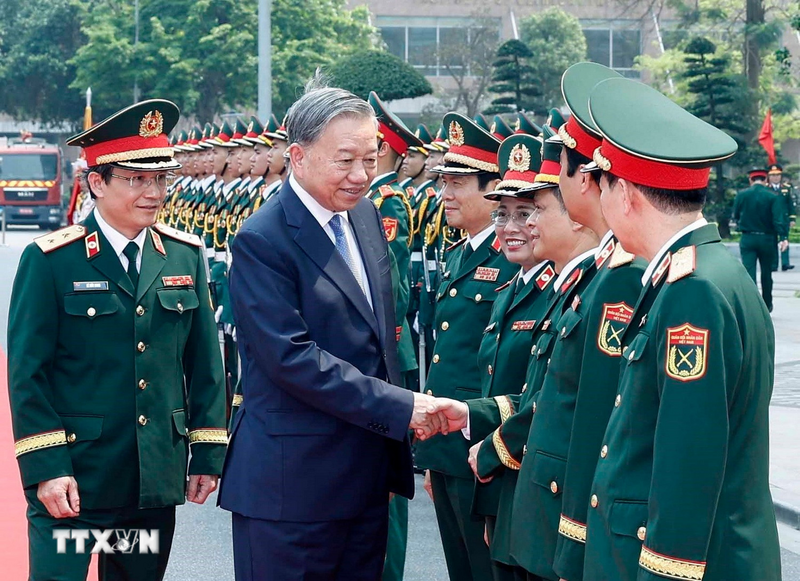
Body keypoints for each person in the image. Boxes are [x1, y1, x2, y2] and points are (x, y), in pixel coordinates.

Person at [218, 82, 442, 581]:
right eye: (345, 161)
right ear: (298, 157)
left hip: (365, 481)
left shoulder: (365, 216)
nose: (361, 175)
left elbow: (381, 339)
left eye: (370, 158)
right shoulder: (263, 239)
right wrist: (401, 407)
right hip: (292, 490)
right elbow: (291, 359)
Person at [7, 99, 228, 581]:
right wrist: (47, 466)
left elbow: (205, 366)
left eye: (161, 179)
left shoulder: (183, 256)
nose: (153, 192)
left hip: (148, 483)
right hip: (73, 483)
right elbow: (28, 374)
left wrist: (208, 452)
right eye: (136, 179)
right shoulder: (51, 260)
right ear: (97, 183)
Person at [584, 76, 781, 581]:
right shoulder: (704, 273)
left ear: (626, 194)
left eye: (602, 184)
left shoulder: (693, 292)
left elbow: (687, 467)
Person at [509, 63, 645, 581]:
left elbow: (596, 417)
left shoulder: (620, 276)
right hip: (551, 501)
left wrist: (575, 540)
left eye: (559, 174)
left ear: (585, 179)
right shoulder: (599, 270)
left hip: (574, 514)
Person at [414, 112, 517, 581]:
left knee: (484, 568)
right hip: (447, 444)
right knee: (460, 567)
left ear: (492, 188)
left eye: (458, 183)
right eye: (443, 182)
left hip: (483, 443)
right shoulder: (458, 253)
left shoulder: (512, 256)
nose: (445, 194)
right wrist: (434, 455)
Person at [470, 133, 556, 581]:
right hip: (501, 480)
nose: (511, 227)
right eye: (502, 215)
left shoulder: (558, 293)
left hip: (534, 485)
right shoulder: (509, 291)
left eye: (525, 213)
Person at [732, 167, 786, 312]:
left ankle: (752, 305)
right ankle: (767, 304)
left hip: (748, 238)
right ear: (766, 179)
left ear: (751, 180)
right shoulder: (772, 196)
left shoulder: (742, 195)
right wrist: (783, 237)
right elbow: (778, 219)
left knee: (749, 272)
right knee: (766, 273)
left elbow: (735, 215)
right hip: (767, 239)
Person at [767, 163, 795, 270]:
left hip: (783, 219)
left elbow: (790, 205)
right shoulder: (766, 189)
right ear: (769, 176)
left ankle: (785, 263)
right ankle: (773, 264)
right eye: (773, 175)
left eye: (778, 175)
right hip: (770, 220)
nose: (776, 177)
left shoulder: (786, 189)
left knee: (784, 240)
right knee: (772, 241)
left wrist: (792, 218)